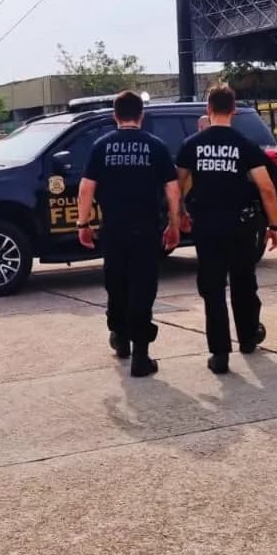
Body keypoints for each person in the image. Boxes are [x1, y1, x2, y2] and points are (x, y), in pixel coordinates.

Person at [176, 85, 277, 375]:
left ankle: (219, 353)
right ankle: (248, 338)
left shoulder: (192, 144)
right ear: (233, 110)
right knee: (244, 283)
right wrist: (274, 225)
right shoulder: (246, 144)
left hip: (207, 225)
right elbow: (267, 188)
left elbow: (178, 182)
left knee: (212, 289)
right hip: (241, 225)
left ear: (208, 109)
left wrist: (180, 214)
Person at [77, 91, 182, 378]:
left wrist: (82, 224)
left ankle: (120, 337)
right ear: (141, 115)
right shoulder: (156, 147)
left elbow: (86, 188)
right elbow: (172, 189)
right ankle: (141, 355)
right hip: (147, 230)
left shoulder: (101, 146)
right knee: (143, 288)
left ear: (115, 115)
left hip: (113, 230)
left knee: (117, 285)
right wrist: (174, 224)